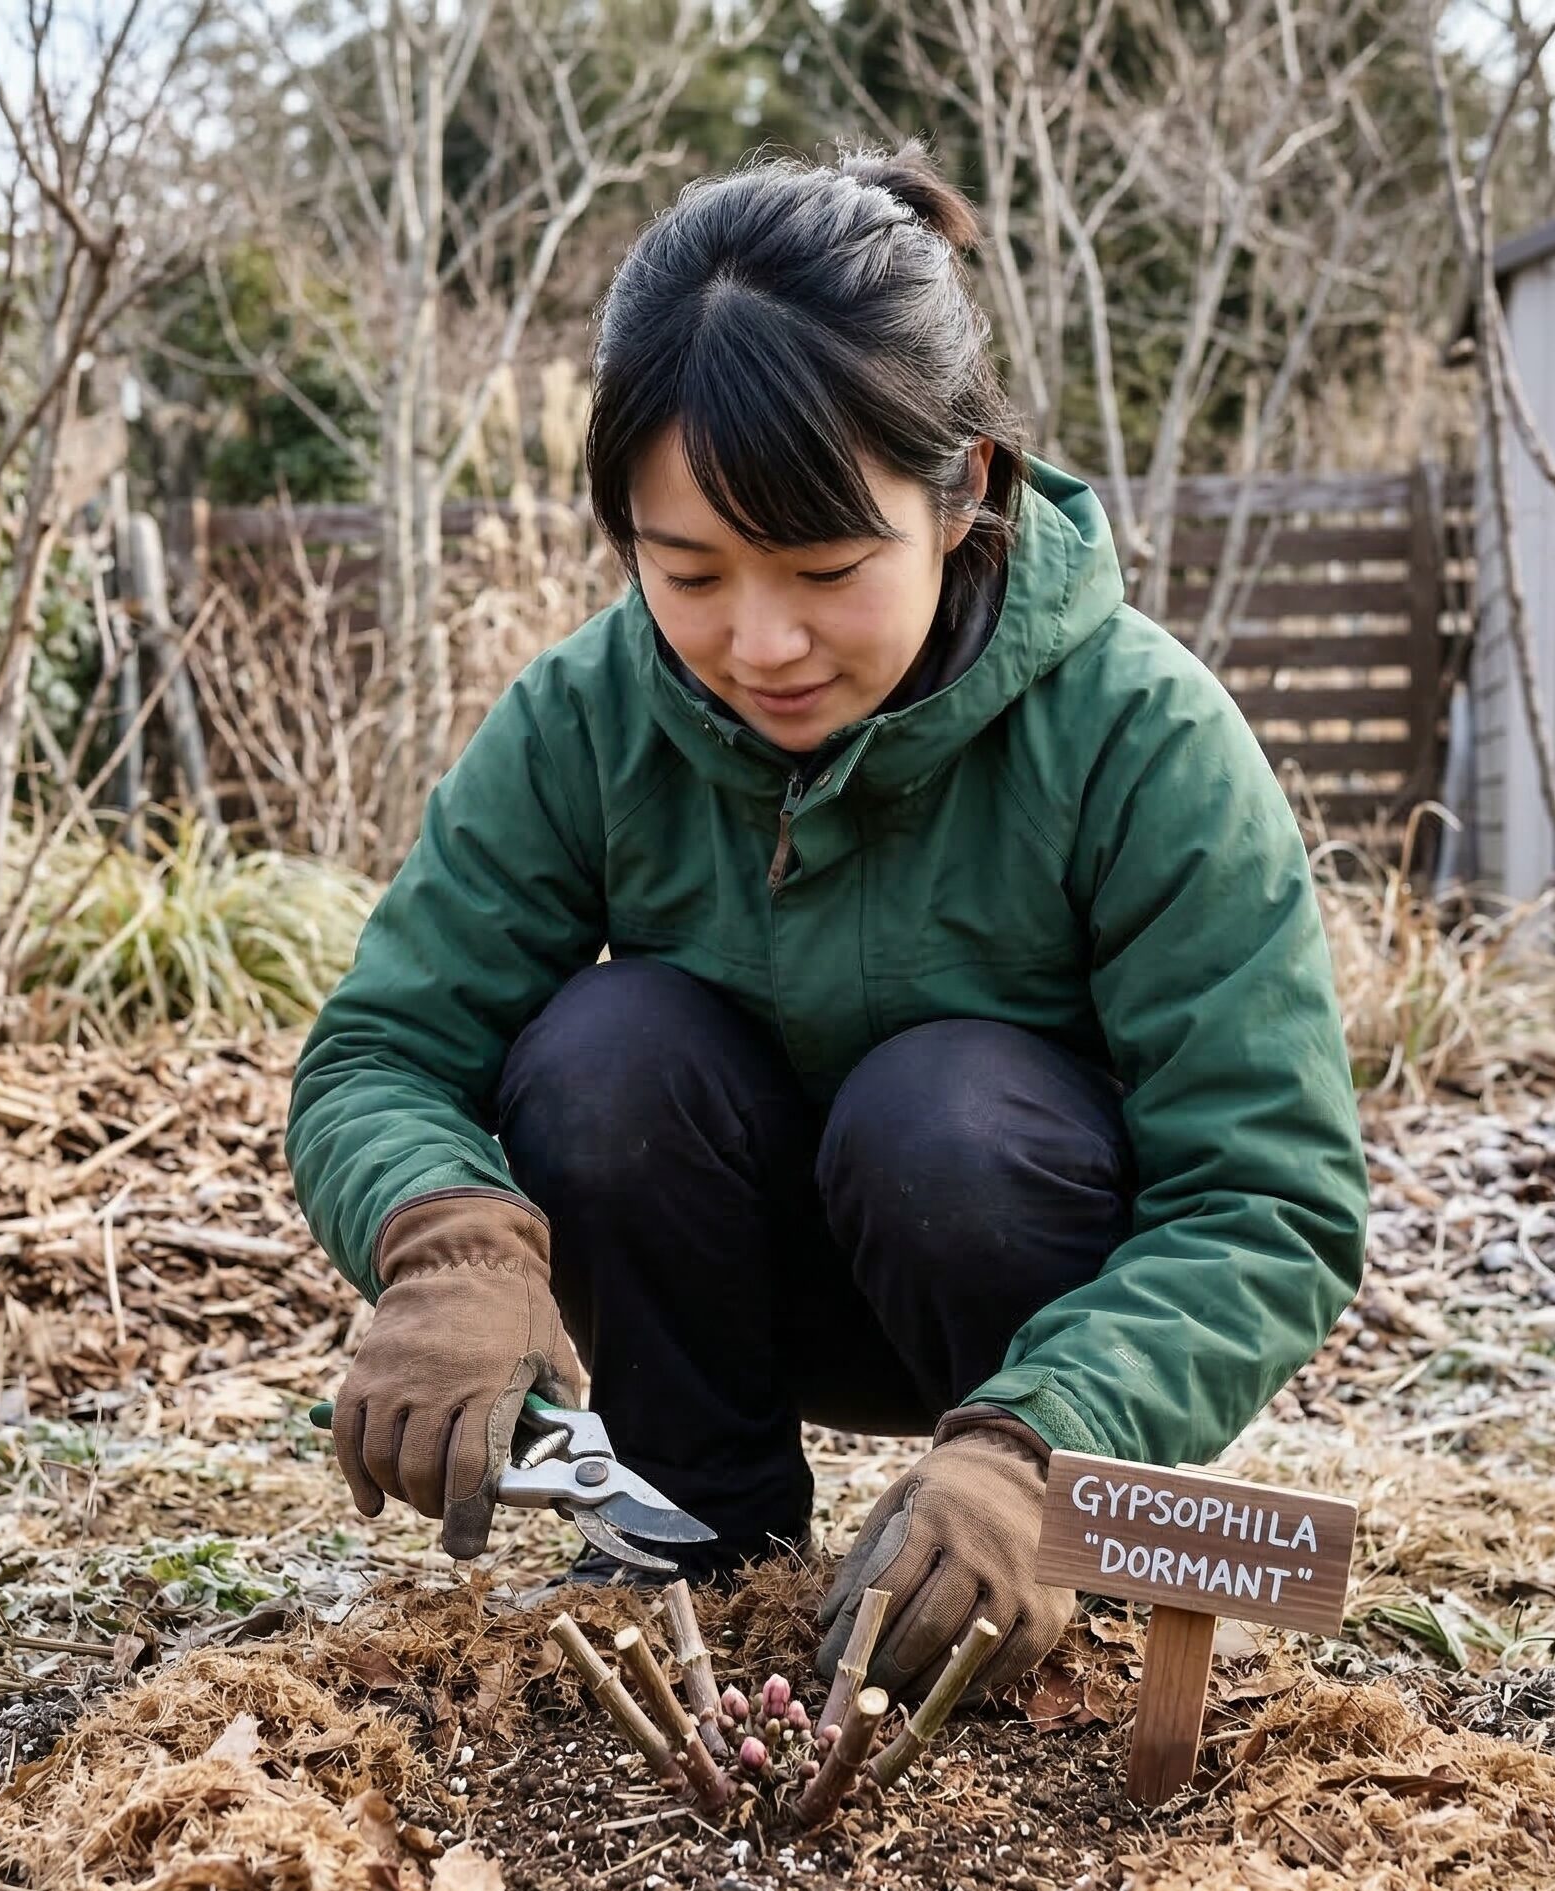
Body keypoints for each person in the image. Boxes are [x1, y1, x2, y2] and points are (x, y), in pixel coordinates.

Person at [285, 141, 1367, 1704]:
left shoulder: (1144, 734)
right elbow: (381, 1051)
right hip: (721, 1287)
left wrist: (1047, 1452)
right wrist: (442, 1245)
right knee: (604, 1047)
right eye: (692, 572)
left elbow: (1269, 1199)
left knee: (942, 1115)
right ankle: (695, 1541)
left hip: (1013, 1298)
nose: (761, 640)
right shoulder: (589, 717)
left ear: (966, 490)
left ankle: (988, 1560)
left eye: (827, 566)